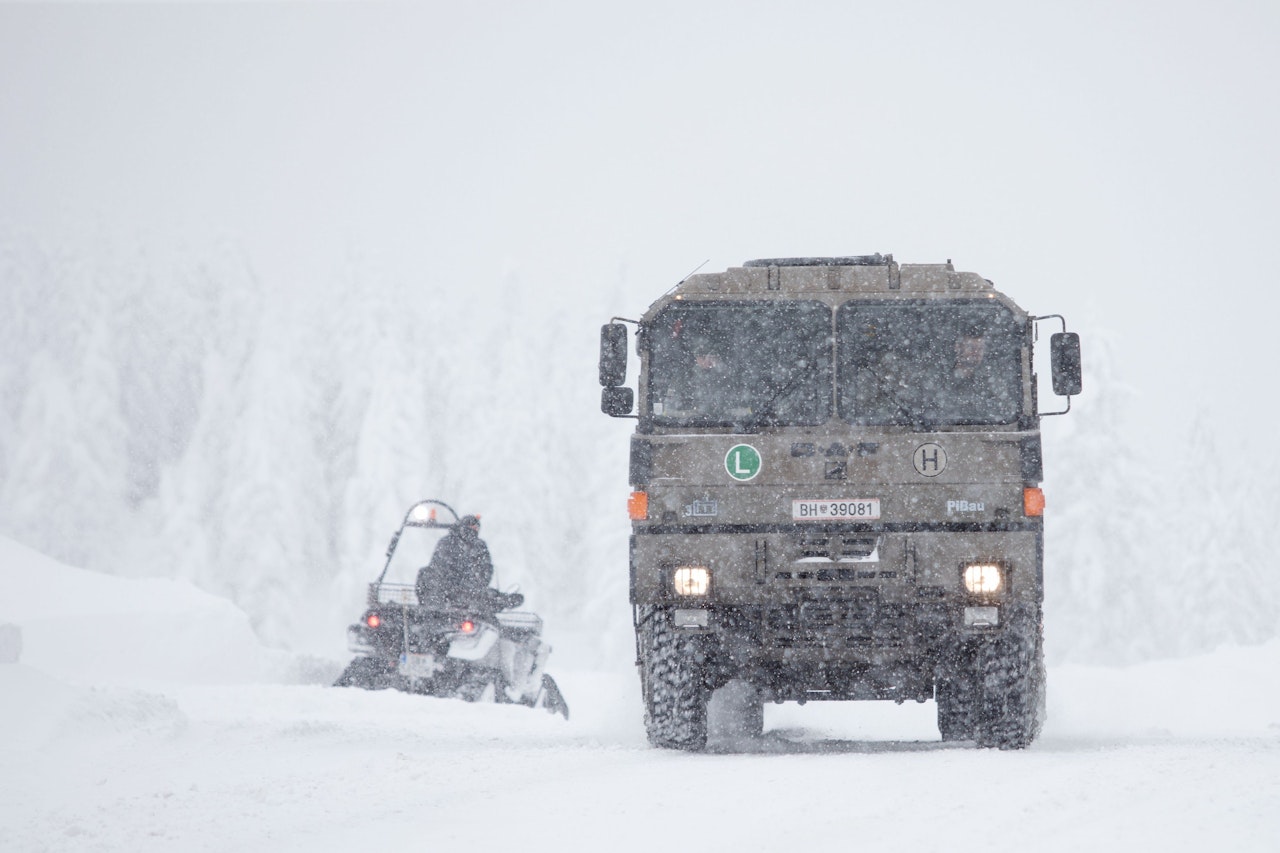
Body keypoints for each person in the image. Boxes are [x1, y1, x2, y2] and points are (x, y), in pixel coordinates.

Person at [416, 515, 519, 612]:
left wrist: (478, 581)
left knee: (482, 595)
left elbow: (486, 568)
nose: (472, 532)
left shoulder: (479, 546)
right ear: (462, 528)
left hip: (469, 591)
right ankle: (440, 607)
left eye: (475, 529)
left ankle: (498, 600)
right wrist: (458, 581)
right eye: (470, 528)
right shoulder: (447, 543)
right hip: (447, 589)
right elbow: (441, 565)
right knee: (431, 578)